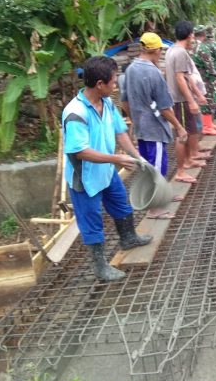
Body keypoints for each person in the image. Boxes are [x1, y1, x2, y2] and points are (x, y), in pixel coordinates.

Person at [63, 56, 152, 281]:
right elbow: (80, 151)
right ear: (100, 84)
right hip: (85, 177)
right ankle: (100, 266)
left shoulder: (108, 103)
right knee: (92, 219)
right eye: (113, 81)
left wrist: (136, 156)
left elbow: (120, 132)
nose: (115, 85)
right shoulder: (76, 112)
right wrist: (116, 158)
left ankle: (128, 237)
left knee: (121, 202)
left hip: (105, 170)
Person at [121, 33, 188, 220]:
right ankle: (155, 208)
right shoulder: (153, 73)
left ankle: (163, 195)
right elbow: (164, 107)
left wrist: (134, 119)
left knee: (150, 165)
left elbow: (124, 101)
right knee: (157, 167)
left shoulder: (131, 69)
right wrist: (179, 126)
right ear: (156, 50)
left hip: (141, 127)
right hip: (154, 127)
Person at [164, 20, 207, 184]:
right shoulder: (180, 52)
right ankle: (181, 171)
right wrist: (191, 101)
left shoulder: (171, 50)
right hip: (180, 99)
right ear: (189, 35)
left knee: (188, 130)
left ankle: (189, 160)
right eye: (193, 34)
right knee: (182, 134)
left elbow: (187, 76)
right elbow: (180, 78)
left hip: (179, 98)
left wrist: (198, 95)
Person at [192, 25, 216, 135]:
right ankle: (206, 126)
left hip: (197, 77)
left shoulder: (193, 47)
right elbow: (210, 66)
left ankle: (208, 123)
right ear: (204, 34)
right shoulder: (202, 48)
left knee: (205, 100)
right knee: (207, 100)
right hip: (205, 79)